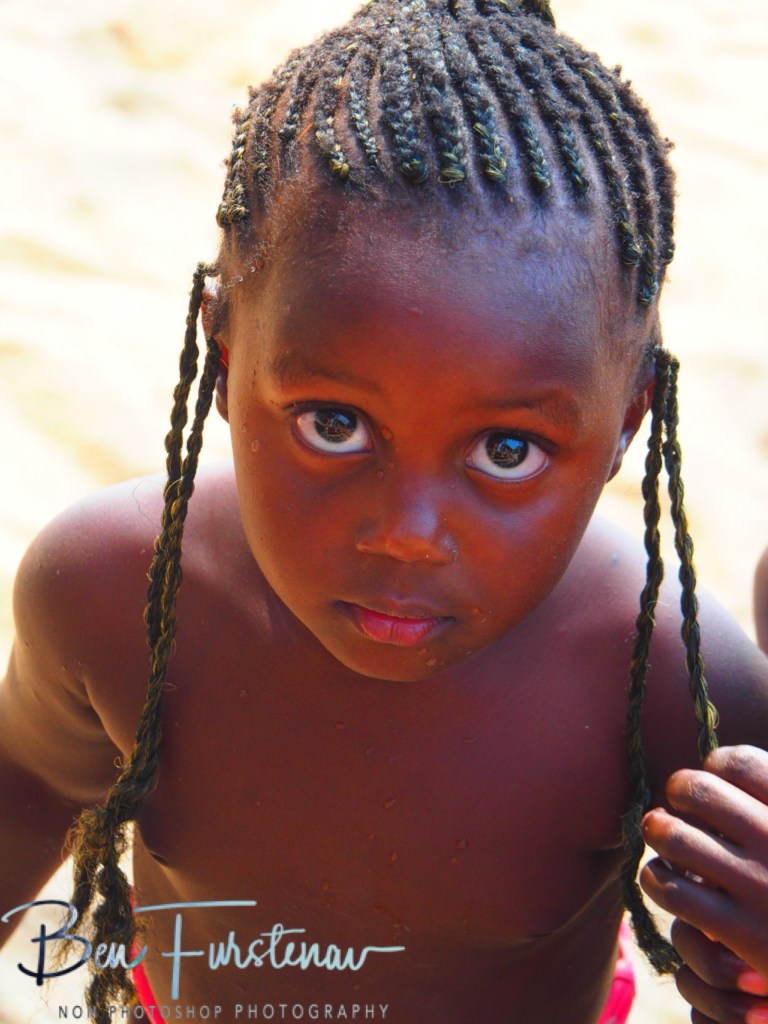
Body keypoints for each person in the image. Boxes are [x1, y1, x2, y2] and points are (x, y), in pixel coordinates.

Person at [1, 1, 767, 1022]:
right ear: (224, 355)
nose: (407, 529)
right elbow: (19, 799)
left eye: (508, 449)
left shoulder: (678, 689)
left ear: (628, 424)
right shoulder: (107, 597)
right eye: (333, 424)